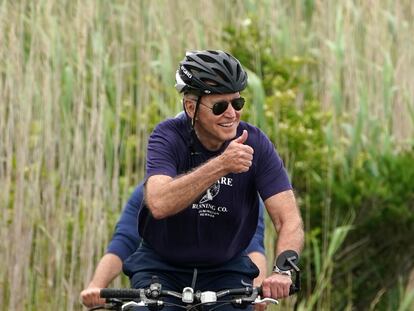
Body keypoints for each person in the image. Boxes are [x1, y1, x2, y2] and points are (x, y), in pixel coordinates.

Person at [122, 50, 304, 309]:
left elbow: (289, 219)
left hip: (226, 269)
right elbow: (159, 202)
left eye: (237, 103)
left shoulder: (256, 143)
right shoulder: (168, 136)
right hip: (161, 267)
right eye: (220, 106)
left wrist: (282, 270)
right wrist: (221, 165)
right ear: (190, 107)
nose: (232, 114)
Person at [80, 182, 267, 308]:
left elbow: (253, 245)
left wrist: (258, 290)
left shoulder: (242, 191)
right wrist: (97, 286)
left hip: (222, 279)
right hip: (160, 277)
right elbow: (124, 241)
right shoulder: (150, 190)